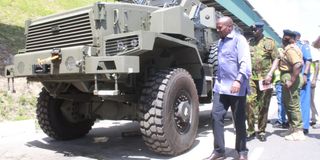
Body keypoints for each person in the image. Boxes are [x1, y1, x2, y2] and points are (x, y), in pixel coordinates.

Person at [204, 16, 251, 160]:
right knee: (216, 117)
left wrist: (238, 80)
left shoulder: (239, 40)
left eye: (220, 27)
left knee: (238, 120)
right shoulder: (219, 43)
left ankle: (242, 151)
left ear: (229, 27)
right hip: (220, 88)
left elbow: (245, 62)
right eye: (217, 27)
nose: (217, 29)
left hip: (237, 87)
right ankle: (219, 150)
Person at [264, 29, 305, 141]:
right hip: (288, 76)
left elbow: (297, 65)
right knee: (288, 104)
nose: (283, 39)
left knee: (293, 105)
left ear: (288, 39)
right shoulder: (288, 49)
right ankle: (292, 128)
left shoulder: (291, 49)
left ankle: (298, 131)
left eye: (284, 38)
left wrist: (291, 80)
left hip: (290, 76)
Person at [246, 22, 277, 142]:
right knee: (249, 102)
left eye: (255, 29)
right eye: (252, 29)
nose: (253, 31)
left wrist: (270, 74)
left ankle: (262, 130)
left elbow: (276, 59)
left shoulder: (270, 42)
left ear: (261, 29)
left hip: (265, 78)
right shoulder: (250, 42)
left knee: (264, 105)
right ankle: (250, 130)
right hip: (251, 78)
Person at [295, 32, 312, 135]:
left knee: (304, 103)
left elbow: (308, 61)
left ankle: (304, 126)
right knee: (295, 104)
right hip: (294, 79)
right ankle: (296, 126)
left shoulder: (303, 46)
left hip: (303, 78)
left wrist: (305, 74)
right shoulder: (291, 47)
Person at [309, 44, 320, 127]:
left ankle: (318, 120)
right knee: (311, 100)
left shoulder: (314, 51)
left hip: (315, 79)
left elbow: (317, 65)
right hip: (313, 78)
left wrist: (314, 79)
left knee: (316, 100)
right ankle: (314, 119)